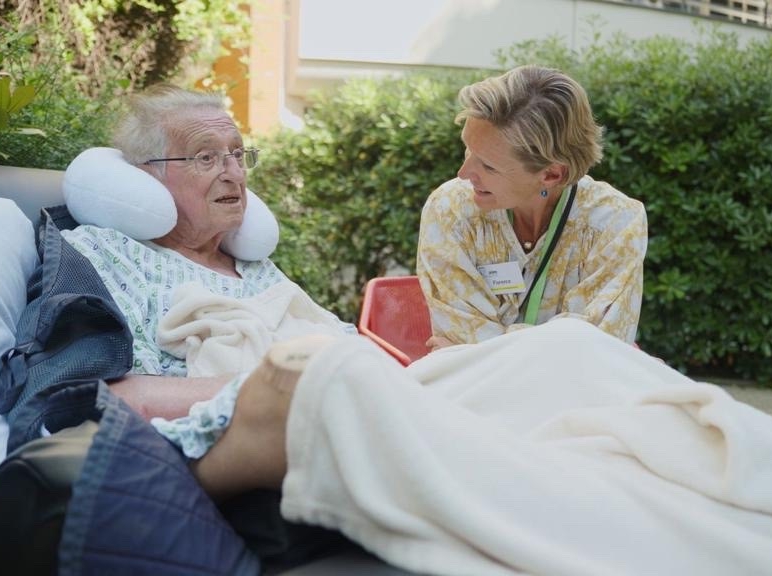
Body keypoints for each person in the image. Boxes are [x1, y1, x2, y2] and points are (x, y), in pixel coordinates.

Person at [59, 84, 355, 429]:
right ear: (148, 175)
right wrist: (282, 388)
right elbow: (112, 394)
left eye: (238, 155)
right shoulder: (108, 253)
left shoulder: (256, 268)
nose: (235, 174)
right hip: (231, 430)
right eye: (206, 158)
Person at [416, 65, 647, 350]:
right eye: (468, 148)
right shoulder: (450, 210)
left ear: (552, 174)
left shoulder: (615, 224)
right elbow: (583, 353)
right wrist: (558, 346)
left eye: (488, 166)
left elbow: (593, 354)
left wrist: (480, 349)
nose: (463, 173)